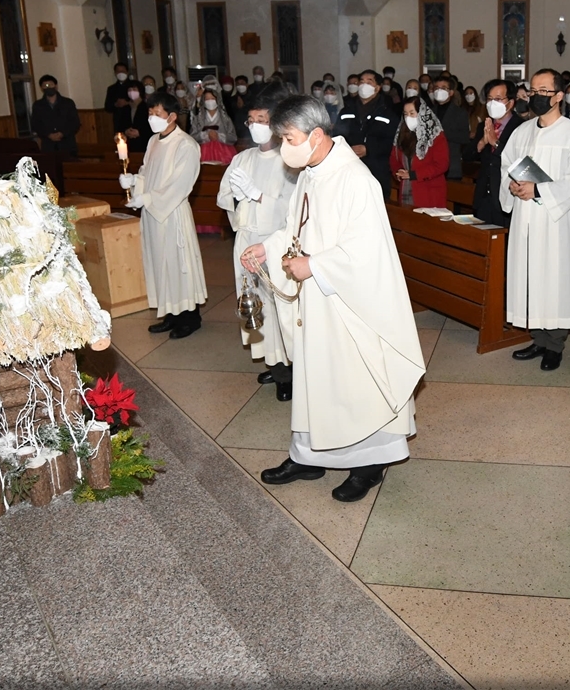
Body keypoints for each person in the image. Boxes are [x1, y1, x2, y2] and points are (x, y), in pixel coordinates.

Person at [241, 95, 425, 503]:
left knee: (354, 381)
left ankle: (370, 463)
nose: (284, 147)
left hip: (349, 303)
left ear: (316, 135)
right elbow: (296, 227)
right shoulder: (311, 172)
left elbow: (368, 250)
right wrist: (268, 248)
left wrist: (315, 265)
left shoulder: (355, 179)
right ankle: (308, 455)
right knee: (317, 377)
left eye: (289, 138)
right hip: (318, 298)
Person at [501, 69, 570, 371]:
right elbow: (507, 164)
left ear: (558, 96)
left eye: (544, 91)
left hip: (555, 223)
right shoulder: (522, 131)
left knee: (554, 279)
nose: (536, 96)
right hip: (525, 218)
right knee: (531, 276)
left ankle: (555, 344)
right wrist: (513, 185)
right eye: (533, 90)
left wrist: (538, 189)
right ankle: (538, 338)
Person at [218, 83, 297, 400]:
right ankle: (273, 361)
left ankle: (288, 371)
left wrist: (257, 195)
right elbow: (224, 197)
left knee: (278, 307)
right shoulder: (242, 158)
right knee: (254, 303)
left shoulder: (288, 161)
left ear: (276, 123)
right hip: (246, 238)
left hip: (273, 243)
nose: (255, 126)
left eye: (262, 120)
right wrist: (239, 197)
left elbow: (292, 210)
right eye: (251, 120)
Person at [119, 92, 208, 340]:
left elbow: (180, 184)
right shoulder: (153, 141)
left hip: (172, 213)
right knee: (160, 263)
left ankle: (189, 318)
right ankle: (171, 314)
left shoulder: (186, 145)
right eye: (149, 113)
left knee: (179, 265)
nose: (151, 118)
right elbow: (147, 173)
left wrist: (147, 198)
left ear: (171, 116)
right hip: (153, 213)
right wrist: (134, 181)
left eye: (156, 114)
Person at [472, 79, 524, 227]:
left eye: (498, 99)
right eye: (490, 99)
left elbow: (518, 162)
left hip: (506, 197)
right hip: (483, 196)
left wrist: (495, 143)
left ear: (511, 103)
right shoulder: (484, 125)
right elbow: (469, 156)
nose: (492, 103)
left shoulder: (521, 127)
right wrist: (482, 142)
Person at [339, 70, 398, 198]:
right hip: (349, 168)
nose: (364, 85)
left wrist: (368, 149)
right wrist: (347, 149)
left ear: (377, 88)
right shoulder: (346, 110)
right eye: (361, 82)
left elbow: (392, 141)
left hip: (376, 169)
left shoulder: (387, 113)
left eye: (369, 82)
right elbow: (337, 136)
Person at [390, 97, 449, 208]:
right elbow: (394, 157)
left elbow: (441, 164)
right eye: (406, 114)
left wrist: (414, 174)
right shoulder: (402, 134)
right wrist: (398, 171)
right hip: (406, 188)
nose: (408, 117)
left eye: (412, 113)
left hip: (429, 192)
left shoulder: (435, 135)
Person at [429, 74, 470, 180]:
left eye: (443, 88)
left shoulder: (460, 113)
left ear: (451, 92)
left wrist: (441, 132)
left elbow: (465, 137)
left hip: (451, 165)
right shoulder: (429, 112)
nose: (439, 91)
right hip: (431, 166)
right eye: (436, 88)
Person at [30, 74, 79, 156]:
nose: (48, 87)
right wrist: (48, 135)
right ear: (41, 88)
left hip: (67, 145)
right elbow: (36, 124)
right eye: (45, 85)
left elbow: (75, 122)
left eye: (51, 84)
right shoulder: (38, 105)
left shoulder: (68, 103)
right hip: (48, 146)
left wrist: (62, 133)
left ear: (56, 86)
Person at [191, 86, 238, 164]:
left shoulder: (225, 118)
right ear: (203, 101)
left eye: (212, 98)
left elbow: (233, 137)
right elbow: (192, 137)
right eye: (207, 99)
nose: (210, 101)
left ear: (217, 100)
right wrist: (205, 135)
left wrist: (219, 136)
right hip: (203, 152)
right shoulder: (198, 119)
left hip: (224, 151)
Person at [115, 78, 148, 155]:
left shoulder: (146, 107)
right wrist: (126, 131)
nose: (132, 92)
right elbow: (120, 125)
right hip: (129, 143)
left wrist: (140, 132)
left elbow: (149, 126)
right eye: (129, 90)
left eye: (134, 89)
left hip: (144, 143)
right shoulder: (126, 108)